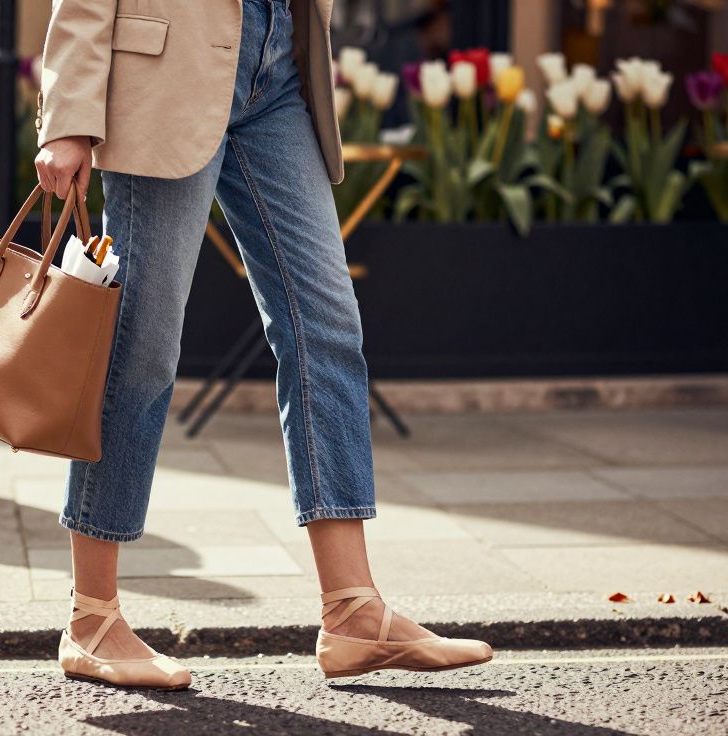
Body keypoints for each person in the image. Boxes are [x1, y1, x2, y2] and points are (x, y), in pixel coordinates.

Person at [35, 0, 493, 688]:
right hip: (167, 77)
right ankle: (92, 619)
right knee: (142, 347)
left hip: (277, 76)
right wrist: (68, 117)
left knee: (327, 326)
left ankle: (352, 612)